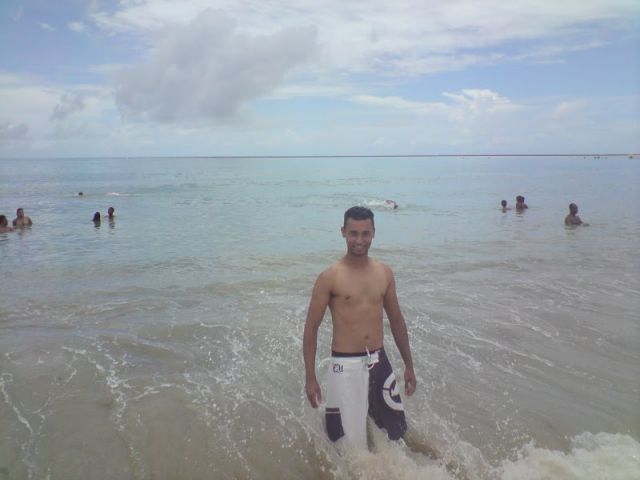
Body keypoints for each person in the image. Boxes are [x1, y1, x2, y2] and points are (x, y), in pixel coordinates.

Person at [303, 206, 416, 450]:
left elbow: (397, 320)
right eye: (353, 233)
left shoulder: (384, 273)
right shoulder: (329, 277)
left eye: (365, 233)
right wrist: (310, 377)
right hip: (345, 367)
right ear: (343, 232)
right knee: (348, 449)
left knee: (396, 439)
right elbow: (311, 328)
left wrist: (409, 365)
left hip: (379, 362)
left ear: (373, 233)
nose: (359, 240)